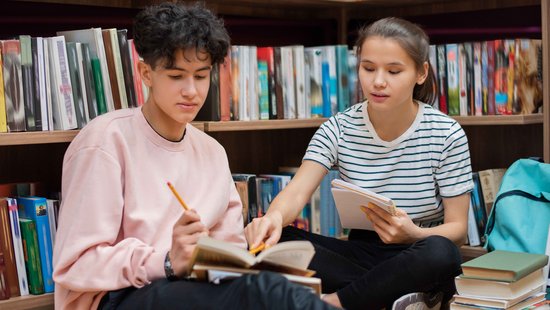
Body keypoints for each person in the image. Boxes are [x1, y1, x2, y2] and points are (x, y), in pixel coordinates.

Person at [52, 3, 335, 310]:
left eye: (201, 76)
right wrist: (167, 261)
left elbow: (231, 250)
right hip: (117, 296)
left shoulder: (212, 152)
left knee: (276, 287)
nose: (191, 91)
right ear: (146, 72)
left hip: (192, 288)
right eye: (176, 76)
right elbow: (76, 264)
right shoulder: (105, 141)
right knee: (264, 293)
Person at [245, 17, 473, 310]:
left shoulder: (446, 133)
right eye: (368, 68)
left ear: (421, 72)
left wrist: (412, 234)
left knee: (442, 253)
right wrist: (273, 219)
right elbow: (297, 191)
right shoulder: (338, 128)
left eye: (393, 71)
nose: (378, 81)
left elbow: (458, 228)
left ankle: (338, 302)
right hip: (358, 252)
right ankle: (388, 295)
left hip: (418, 247)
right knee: (277, 239)